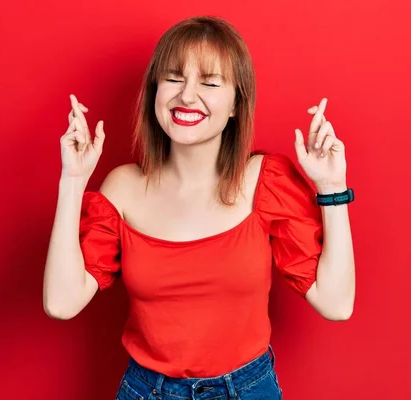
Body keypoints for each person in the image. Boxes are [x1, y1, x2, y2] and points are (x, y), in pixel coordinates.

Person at [43, 15, 355, 400]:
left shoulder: (266, 180)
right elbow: (60, 302)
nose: (187, 96)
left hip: (246, 390)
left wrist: (331, 187)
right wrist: (73, 181)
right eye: (174, 78)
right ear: (155, 90)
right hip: (146, 391)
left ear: (236, 105)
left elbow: (337, 303)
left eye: (209, 82)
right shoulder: (123, 188)